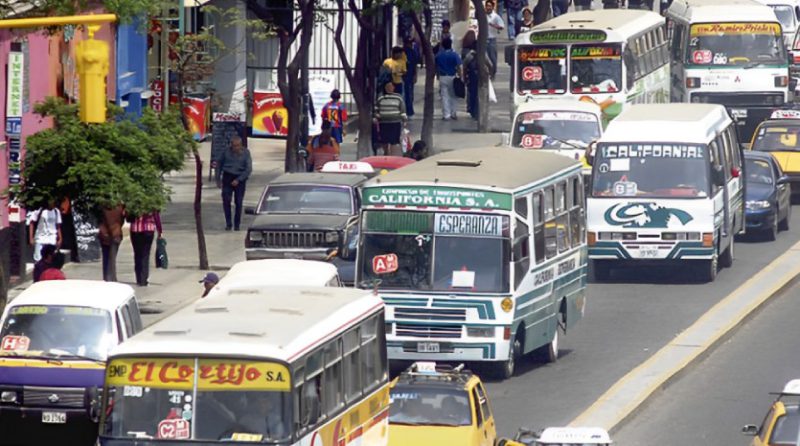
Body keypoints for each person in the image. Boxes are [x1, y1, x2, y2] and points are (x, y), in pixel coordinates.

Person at [216, 136, 252, 231]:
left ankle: (237, 224)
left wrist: (239, 179)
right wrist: (218, 180)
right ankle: (228, 223)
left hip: (239, 178)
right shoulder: (226, 152)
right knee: (226, 200)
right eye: (233, 146)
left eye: (237, 146)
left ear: (241, 145)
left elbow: (248, 169)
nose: (235, 148)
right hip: (227, 177)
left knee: (239, 202)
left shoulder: (246, 153)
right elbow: (218, 165)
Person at [129, 211, 163, 287]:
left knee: (137, 253)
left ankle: (139, 278)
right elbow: (156, 216)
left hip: (135, 229)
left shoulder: (133, 202)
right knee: (145, 254)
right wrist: (160, 231)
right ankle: (143, 279)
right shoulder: (151, 201)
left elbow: (128, 217)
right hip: (148, 229)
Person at [374, 82, 408, 156]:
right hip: (384, 122)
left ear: (393, 88)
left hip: (395, 122)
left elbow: (403, 110)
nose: (389, 88)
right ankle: (386, 152)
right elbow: (376, 109)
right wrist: (376, 117)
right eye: (387, 87)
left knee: (394, 141)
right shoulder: (381, 98)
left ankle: (393, 154)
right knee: (384, 140)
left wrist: (404, 120)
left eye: (390, 86)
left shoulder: (398, 98)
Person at [435, 37, 463, 121]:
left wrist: (437, 75)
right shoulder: (455, 55)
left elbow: (436, 66)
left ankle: (446, 114)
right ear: (451, 45)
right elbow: (459, 66)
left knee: (444, 96)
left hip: (442, 77)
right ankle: (453, 113)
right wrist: (460, 76)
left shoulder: (439, 55)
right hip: (452, 77)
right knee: (453, 96)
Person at [99, 205, 125, 282]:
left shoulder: (102, 206)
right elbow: (122, 220)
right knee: (112, 258)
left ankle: (106, 278)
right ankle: (111, 278)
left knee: (106, 257)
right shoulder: (119, 207)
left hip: (104, 234)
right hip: (116, 234)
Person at [485, 0, 505, 80]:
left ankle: (493, 73)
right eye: (487, 6)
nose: (488, 8)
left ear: (493, 7)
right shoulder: (483, 15)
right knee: (484, 58)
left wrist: (493, 25)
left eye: (490, 6)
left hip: (491, 40)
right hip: (483, 39)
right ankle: (487, 73)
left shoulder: (495, 16)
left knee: (492, 58)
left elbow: (501, 26)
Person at [403, 37, 420, 117]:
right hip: (408, 75)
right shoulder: (412, 52)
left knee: (406, 93)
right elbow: (415, 65)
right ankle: (409, 111)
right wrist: (415, 75)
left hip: (405, 76)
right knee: (409, 94)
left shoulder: (404, 52)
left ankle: (406, 110)